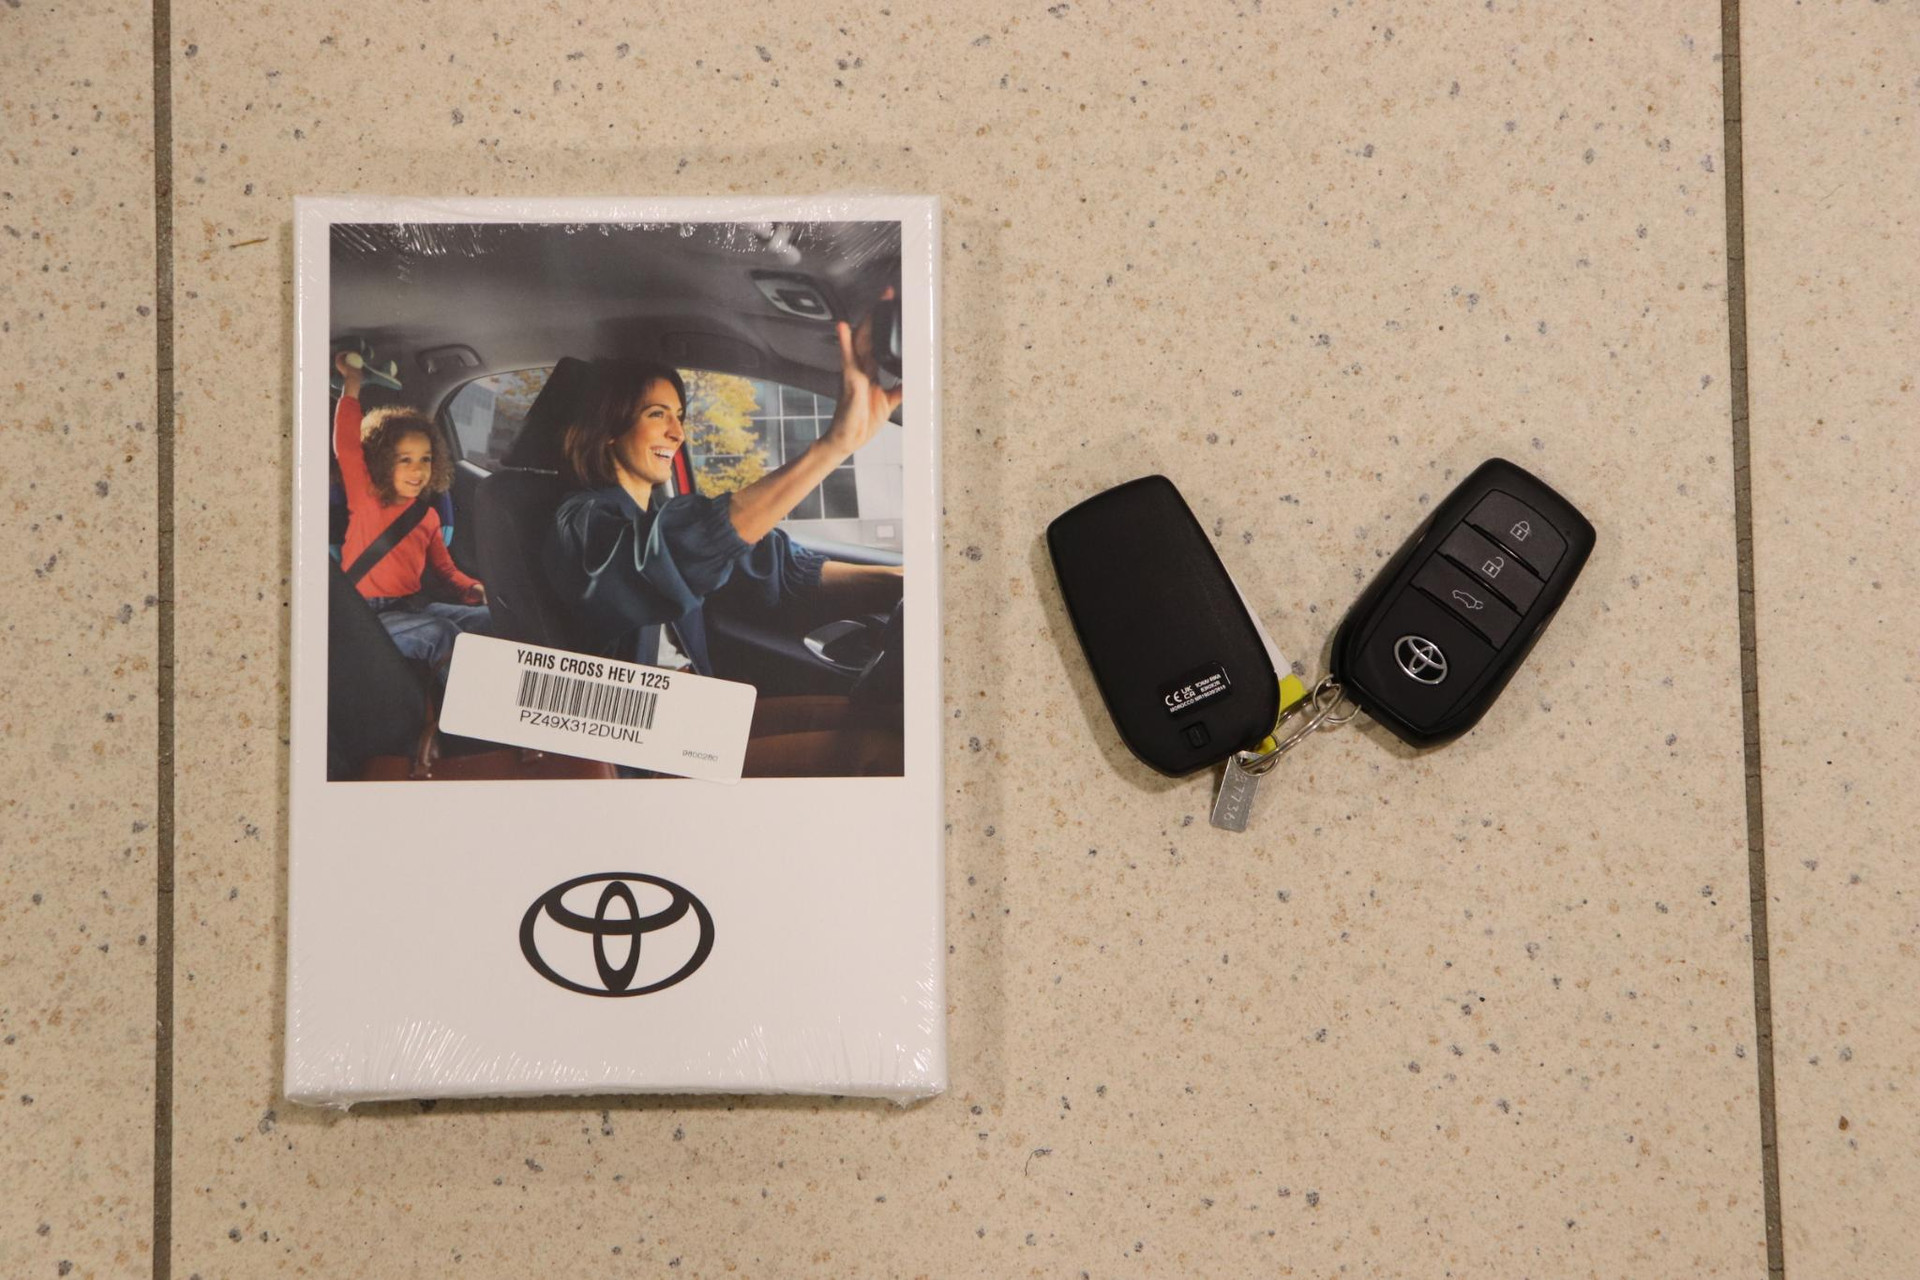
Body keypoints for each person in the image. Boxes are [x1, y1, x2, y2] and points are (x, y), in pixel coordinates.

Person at [545, 293, 903, 677]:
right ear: (610, 429)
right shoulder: (578, 523)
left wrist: (896, 581)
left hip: (698, 693)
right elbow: (678, 550)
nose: (678, 433)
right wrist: (834, 446)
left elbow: (776, 567)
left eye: (679, 416)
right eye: (657, 414)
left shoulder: (657, 515)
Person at [333, 350, 491, 676]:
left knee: (491, 620)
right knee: (442, 634)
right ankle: (466, 705)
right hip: (365, 618)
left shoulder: (427, 516)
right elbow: (346, 444)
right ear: (381, 461)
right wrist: (352, 383)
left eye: (425, 459)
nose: (417, 470)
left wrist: (473, 588)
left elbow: (446, 570)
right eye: (405, 460)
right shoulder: (366, 498)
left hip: (412, 607)